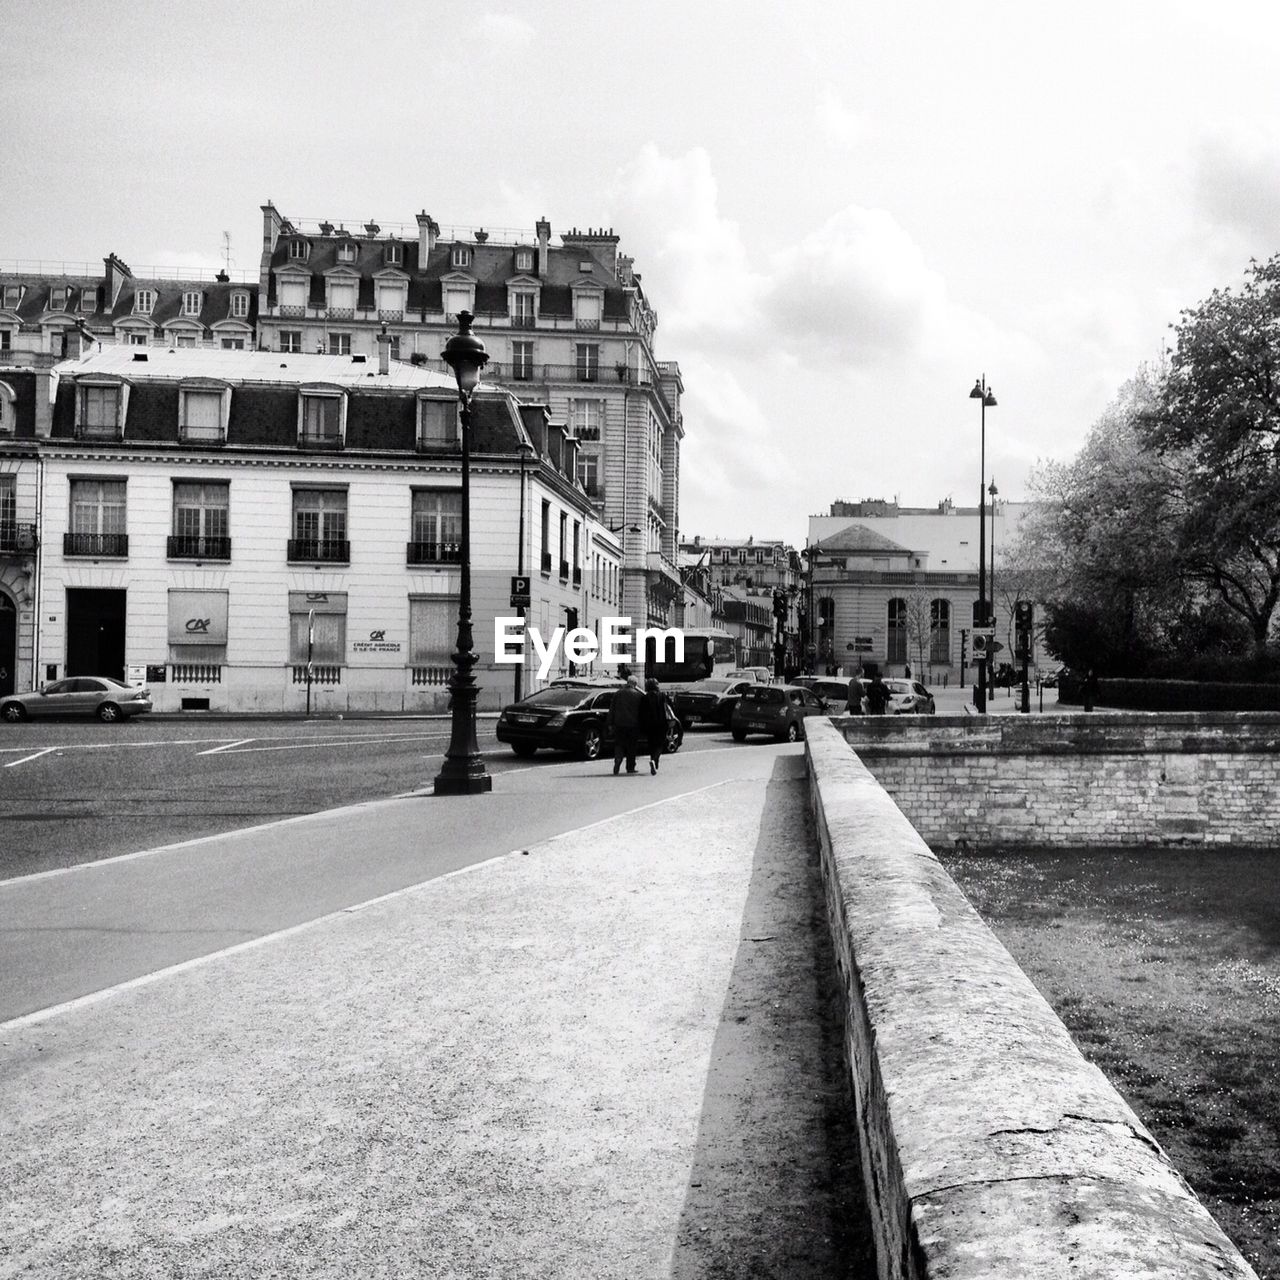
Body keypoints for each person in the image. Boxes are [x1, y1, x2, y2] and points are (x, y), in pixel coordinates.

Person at [609, 675, 646, 774]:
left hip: (619, 724)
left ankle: (618, 759)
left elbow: (612, 709)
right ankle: (630, 767)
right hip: (633, 725)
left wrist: (610, 723)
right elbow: (642, 712)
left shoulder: (618, 693)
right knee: (632, 747)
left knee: (619, 744)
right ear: (635, 684)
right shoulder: (639, 695)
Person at [642, 677, 672, 774]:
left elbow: (641, 712)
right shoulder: (662, 696)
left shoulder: (645, 697)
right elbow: (669, 707)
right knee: (660, 744)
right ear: (656, 686)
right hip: (661, 723)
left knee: (651, 744)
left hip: (649, 724)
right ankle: (654, 760)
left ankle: (653, 761)